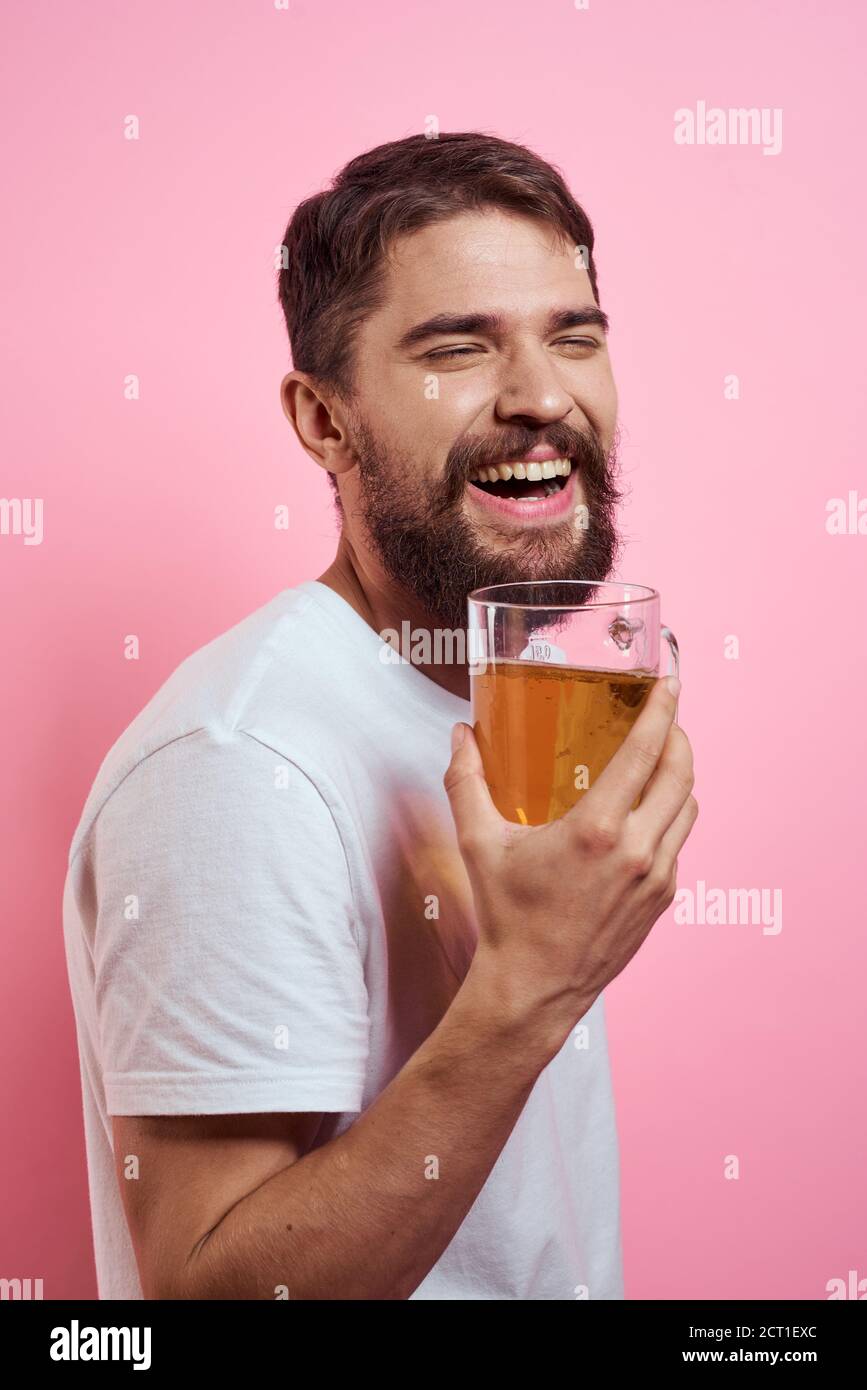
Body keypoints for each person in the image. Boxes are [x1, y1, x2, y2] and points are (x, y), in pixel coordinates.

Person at [62, 131, 697, 1300]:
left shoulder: (499, 695)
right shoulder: (236, 762)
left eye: (575, 335)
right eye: (458, 348)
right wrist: (532, 986)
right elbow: (212, 1293)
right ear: (323, 420)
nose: (543, 395)